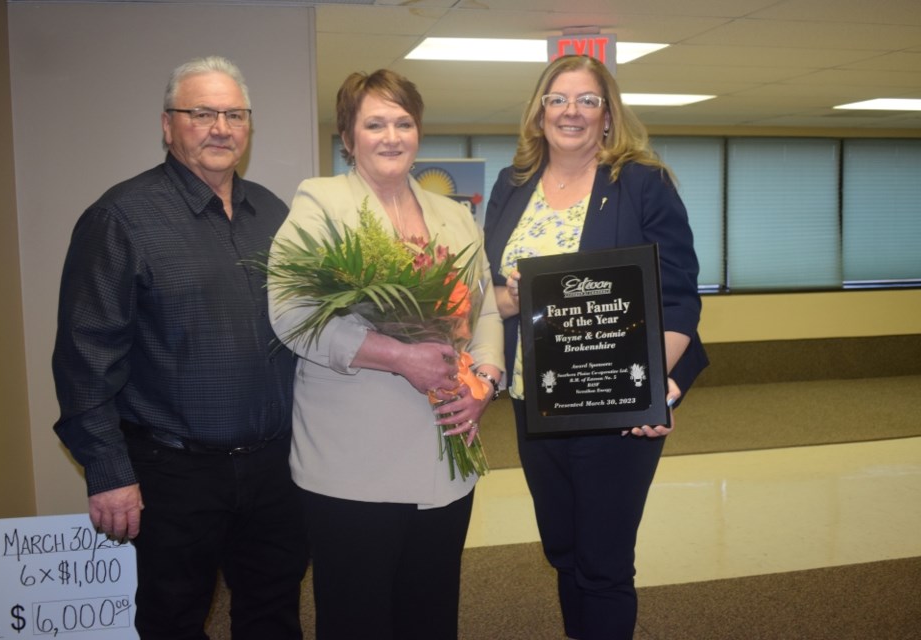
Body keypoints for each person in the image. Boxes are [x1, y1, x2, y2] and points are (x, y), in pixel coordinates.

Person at [52, 56, 308, 640]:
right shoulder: (121, 218)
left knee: (274, 610)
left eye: (234, 114)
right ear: (168, 125)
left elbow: (305, 324)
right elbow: (85, 354)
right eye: (201, 113)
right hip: (173, 473)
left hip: (275, 466)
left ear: (248, 126)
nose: (220, 127)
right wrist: (108, 469)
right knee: (173, 618)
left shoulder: (272, 213)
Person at [267, 69, 504, 640]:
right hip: (353, 469)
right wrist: (398, 356)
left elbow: (487, 309)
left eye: (403, 122)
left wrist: (487, 382)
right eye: (374, 123)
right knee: (358, 620)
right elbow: (291, 315)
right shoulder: (322, 202)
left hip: (446, 460)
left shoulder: (453, 214)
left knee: (430, 614)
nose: (391, 136)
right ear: (348, 136)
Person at [484, 55, 709, 640]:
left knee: (603, 563)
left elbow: (679, 295)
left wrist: (652, 382)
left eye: (588, 100)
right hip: (537, 401)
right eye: (558, 99)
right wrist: (509, 298)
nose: (572, 112)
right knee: (563, 549)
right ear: (539, 113)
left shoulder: (640, 183)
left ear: (608, 116)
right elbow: (490, 294)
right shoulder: (512, 188)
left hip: (615, 407)